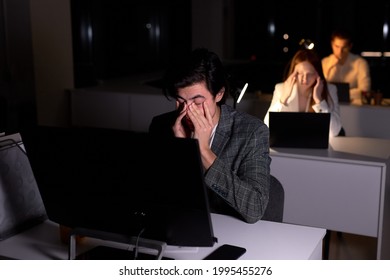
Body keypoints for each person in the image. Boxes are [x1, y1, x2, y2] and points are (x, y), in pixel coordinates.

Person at [149, 47, 271, 224]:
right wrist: (181, 152)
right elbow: (156, 196)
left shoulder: (252, 132)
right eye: (181, 101)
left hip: (231, 232)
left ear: (219, 94)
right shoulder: (161, 125)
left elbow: (254, 208)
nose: (187, 110)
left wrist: (204, 152)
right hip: (178, 228)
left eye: (197, 102)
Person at [264, 49, 343, 137]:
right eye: (299, 73)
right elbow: (267, 126)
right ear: (293, 73)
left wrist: (319, 101)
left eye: (309, 74)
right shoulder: (281, 88)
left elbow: (334, 131)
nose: (304, 79)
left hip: (316, 145)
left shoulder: (330, 90)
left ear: (318, 74)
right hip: (289, 144)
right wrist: (283, 99)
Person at [321, 29, 371, 105]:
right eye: (336, 46)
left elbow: (365, 90)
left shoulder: (360, 63)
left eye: (344, 47)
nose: (340, 51)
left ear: (350, 46)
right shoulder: (325, 62)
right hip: (330, 105)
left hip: (353, 107)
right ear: (332, 44)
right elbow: (321, 88)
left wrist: (339, 93)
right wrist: (328, 69)